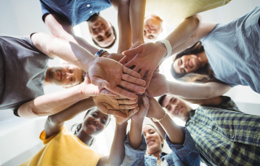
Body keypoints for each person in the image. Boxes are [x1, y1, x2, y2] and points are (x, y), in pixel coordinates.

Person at [124, 6, 260, 99]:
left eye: (180, 62)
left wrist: (162, 53)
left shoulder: (206, 37)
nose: (185, 65)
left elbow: (192, 33)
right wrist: (167, 86)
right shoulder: (217, 79)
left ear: (183, 54)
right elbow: (208, 92)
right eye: (184, 71)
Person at [0, 33, 146, 118]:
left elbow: (34, 110)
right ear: (65, 62)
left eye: (71, 79)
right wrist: (90, 62)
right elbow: (50, 43)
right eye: (71, 69)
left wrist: (82, 91)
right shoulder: (37, 50)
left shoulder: (37, 97)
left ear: (67, 87)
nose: (67, 74)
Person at [21, 83, 127, 165]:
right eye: (94, 114)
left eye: (103, 121)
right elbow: (52, 120)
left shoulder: (97, 159)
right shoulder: (60, 134)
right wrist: (95, 100)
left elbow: (114, 162)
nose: (97, 121)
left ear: (105, 128)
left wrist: (121, 120)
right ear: (85, 116)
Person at [158, 93, 260, 165]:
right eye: (168, 108)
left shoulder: (206, 104)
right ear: (170, 115)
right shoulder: (186, 138)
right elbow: (181, 148)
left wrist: (169, 88)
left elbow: (209, 94)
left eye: (174, 100)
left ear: (181, 97)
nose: (174, 106)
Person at [40, 0, 146, 52]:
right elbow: (124, 4)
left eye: (99, 37)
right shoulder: (108, 2)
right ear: (110, 23)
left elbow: (60, 34)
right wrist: (136, 41)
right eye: (108, 33)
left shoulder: (68, 21)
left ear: (91, 36)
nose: (101, 32)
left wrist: (101, 55)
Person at [122, 95, 200, 166]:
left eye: (151, 132)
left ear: (162, 140)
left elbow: (186, 150)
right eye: (142, 137)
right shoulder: (141, 163)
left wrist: (160, 114)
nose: (148, 136)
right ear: (141, 147)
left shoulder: (176, 158)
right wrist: (137, 119)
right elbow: (133, 157)